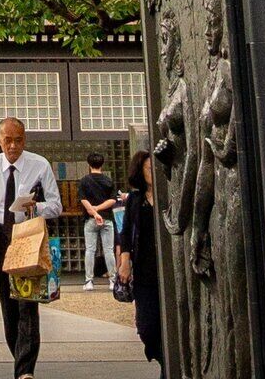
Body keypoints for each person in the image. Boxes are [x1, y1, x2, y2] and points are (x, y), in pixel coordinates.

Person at [0, 119, 64, 379]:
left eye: (18, 140)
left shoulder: (39, 165)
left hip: (27, 232)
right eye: (8, 140)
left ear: (25, 139)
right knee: (8, 302)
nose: (13, 146)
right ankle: (20, 359)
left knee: (27, 301)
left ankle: (25, 370)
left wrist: (33, 206)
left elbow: (56, 205)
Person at [123, 153, 163, 375]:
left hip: (166, 269)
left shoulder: (169, 195)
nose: (153, 173)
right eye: (149, 169)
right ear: (140, 172)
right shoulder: (135, 200)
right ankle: (161, 356)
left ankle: (169, 364)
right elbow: (126, 232)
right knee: (147, 326)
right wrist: (124, 262)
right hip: (144, 268)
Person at [76, 161, 120, 286]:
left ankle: (89, 280)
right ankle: (113, 280)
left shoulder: (84, 181)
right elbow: (112, 200)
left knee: (90, 250)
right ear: (102, 164)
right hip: (107, 219)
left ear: (89, 165)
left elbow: (83, 199)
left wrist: (94, 213)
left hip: (90, 219)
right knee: (109, 250)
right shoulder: (108, 180)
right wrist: (99, 209)